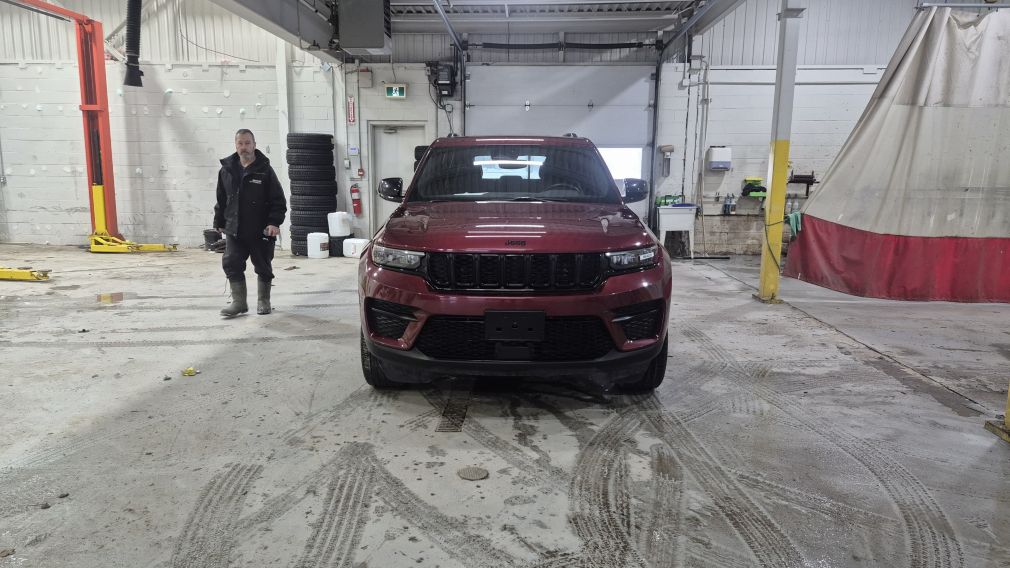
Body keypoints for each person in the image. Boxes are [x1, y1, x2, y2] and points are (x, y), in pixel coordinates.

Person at [213, 129, 287, 317]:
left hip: (260, 229)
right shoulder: (227, 170)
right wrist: (219, 221)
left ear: (254, 144)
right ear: (235, 145)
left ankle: (263, 301)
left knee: (263, 265)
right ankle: (239, 303)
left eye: (247, 143)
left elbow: (278, 200)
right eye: (240, 143)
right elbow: (221, 199)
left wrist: (274, 222)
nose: (244, 147)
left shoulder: (265, 170)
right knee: (231, 263)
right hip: (234, 229)